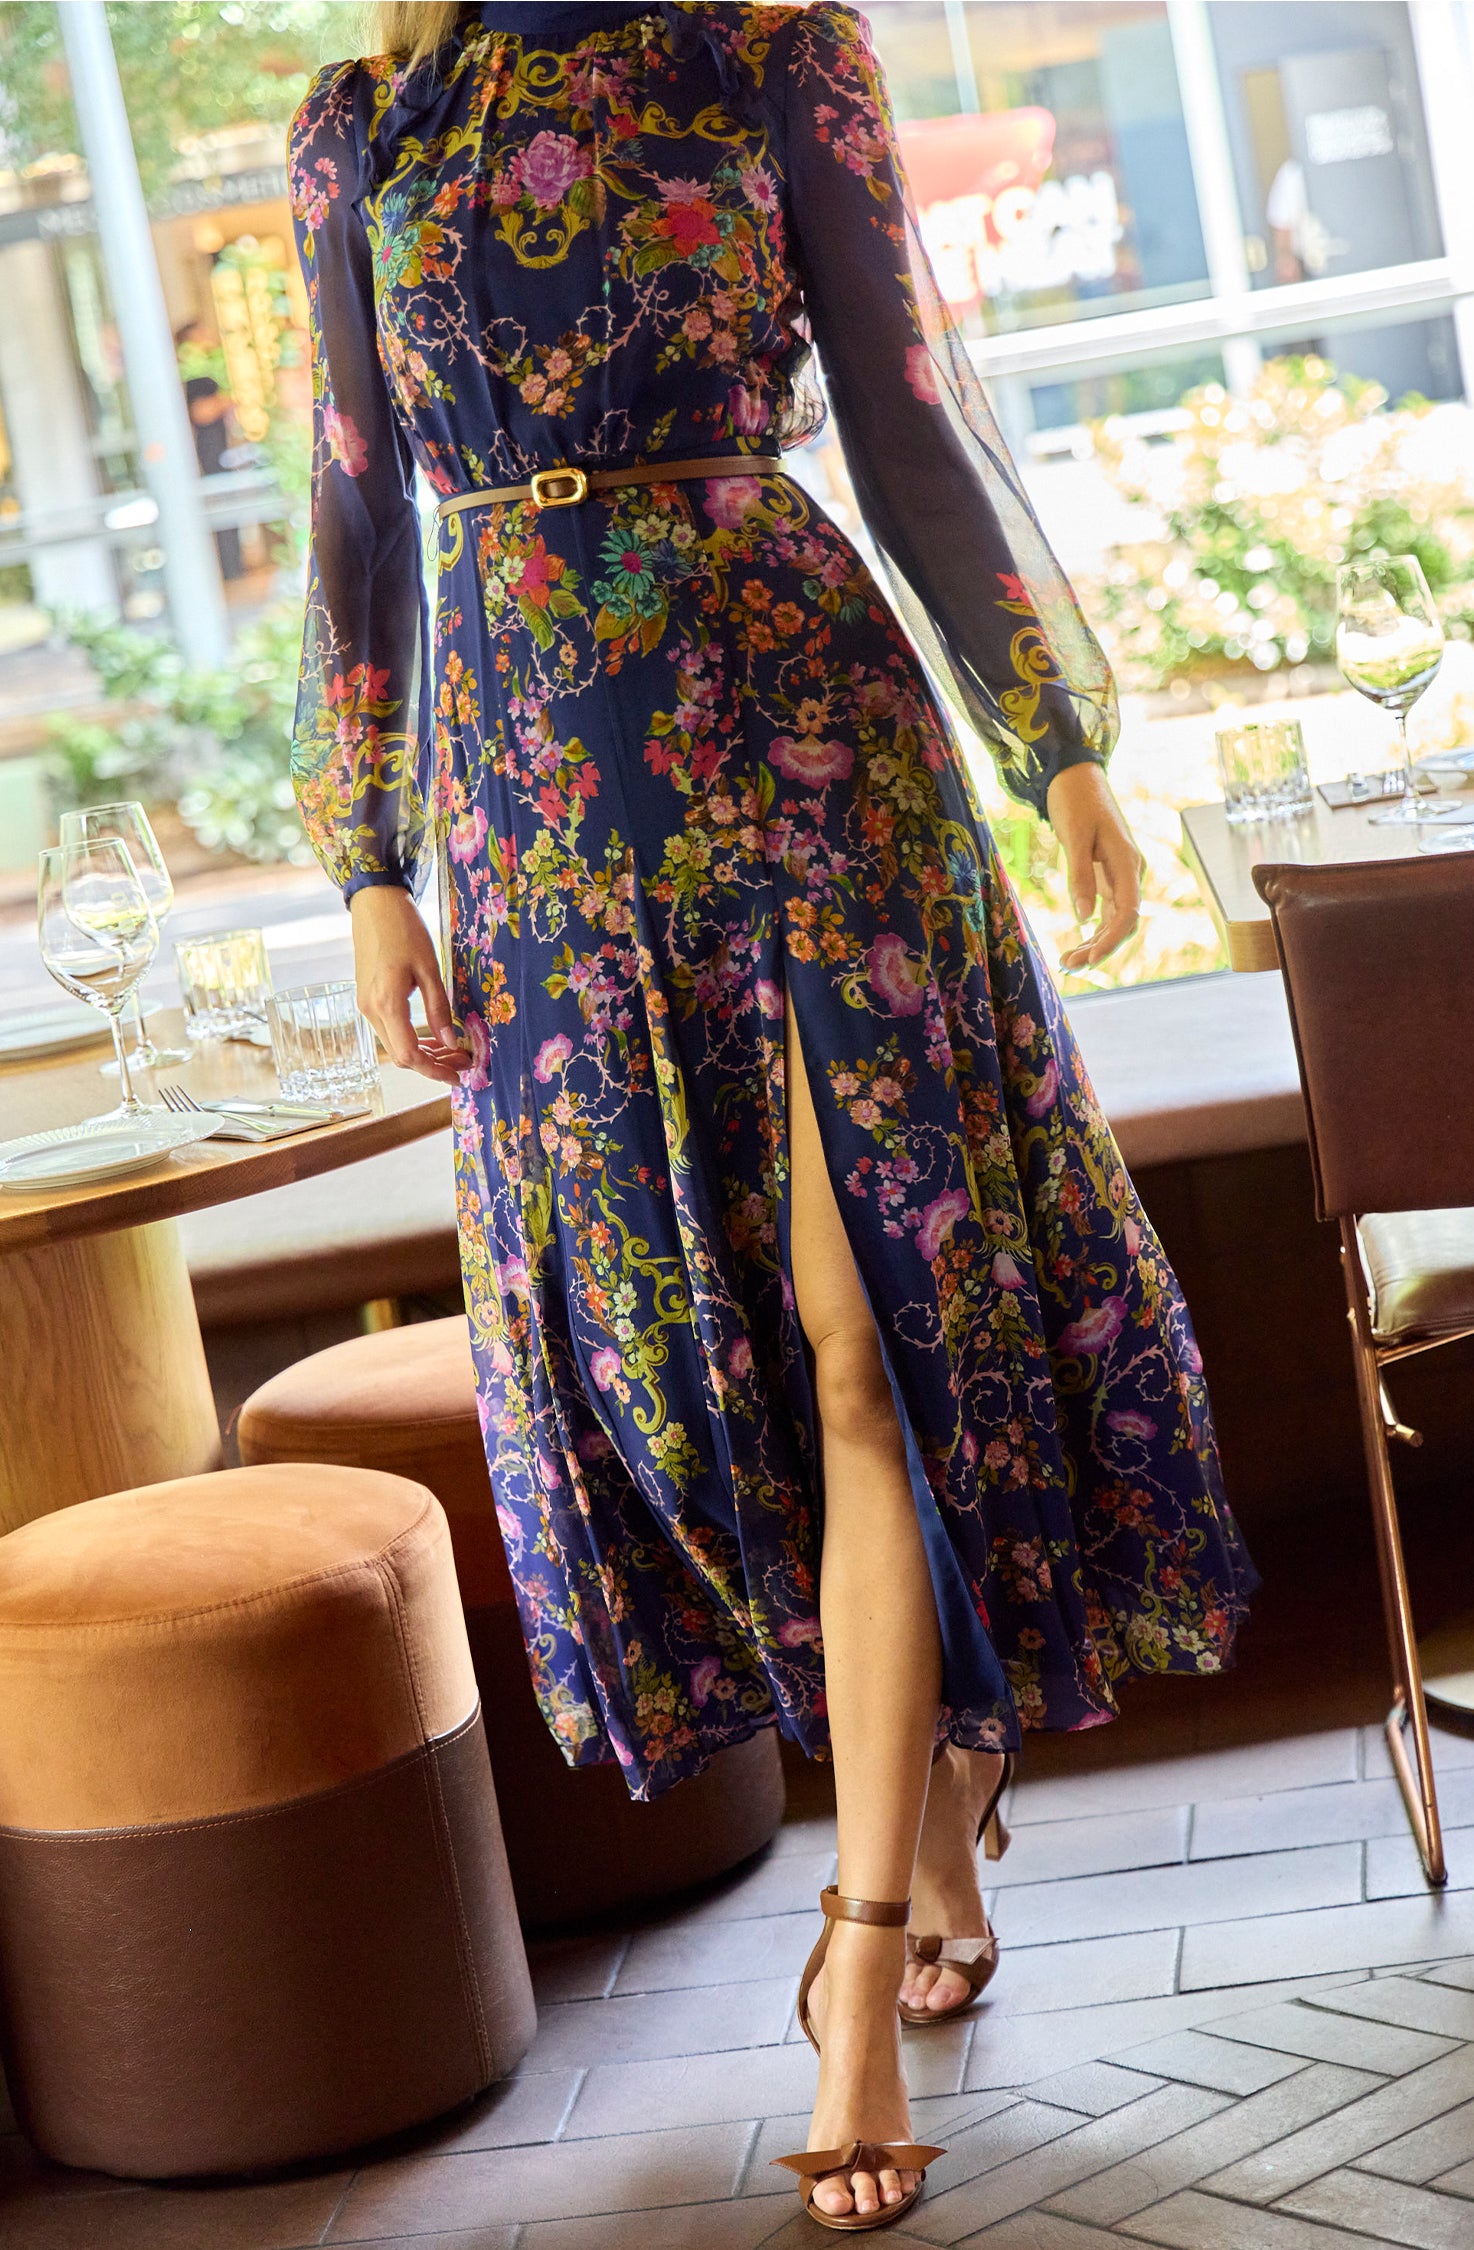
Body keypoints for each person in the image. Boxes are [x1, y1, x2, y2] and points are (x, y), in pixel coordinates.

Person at [288, 4, 1255, 2228]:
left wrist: (1055, 741)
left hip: (807, 753)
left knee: (854, 1352)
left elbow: (904, 415)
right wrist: (364, 864)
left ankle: (856, 1966)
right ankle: (938, 1796)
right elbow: (353, 512)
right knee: (686, 1362)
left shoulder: (773, 55)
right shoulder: (369, 125)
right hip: (538, 820)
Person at [175, 317, 244, 582]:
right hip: (210, 450)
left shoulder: (207, 368)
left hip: (220, 447)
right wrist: (224, 402)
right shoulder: (194, 375)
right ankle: (230, 567)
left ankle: (234, 564)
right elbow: (200, 412)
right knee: (222, 503)